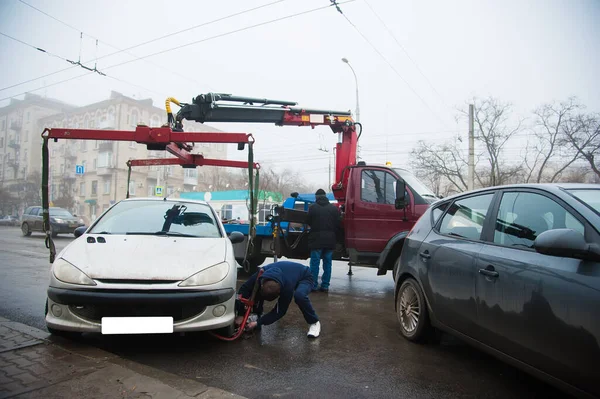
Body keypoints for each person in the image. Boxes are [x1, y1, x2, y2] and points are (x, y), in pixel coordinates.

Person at [235, 260, 321, 338]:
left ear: (280, 291)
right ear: (262, 284)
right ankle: (257, 314)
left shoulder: (287, 287)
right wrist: (241, 314)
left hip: (305, 275)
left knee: (300, 295)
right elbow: (243, 291)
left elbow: (279, 311)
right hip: (287, 273)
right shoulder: (260, 274)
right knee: (255, 289)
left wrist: (258, 323)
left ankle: (314, 322)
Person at [306, 188, 341, 292]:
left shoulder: (312, 207)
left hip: (316, 239)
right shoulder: (333, 208)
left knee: (315, 263)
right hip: (330, 239)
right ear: (325, 196)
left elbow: (308, 221)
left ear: (316, 197)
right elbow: (338, 224)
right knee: (327, 263)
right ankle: (325, 285)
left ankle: (313, 285)